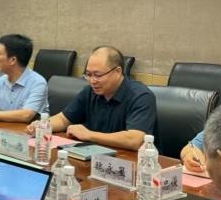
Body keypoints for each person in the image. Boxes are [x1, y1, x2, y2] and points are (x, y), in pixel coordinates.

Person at [26, 46, 155, 150]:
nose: (92, 81)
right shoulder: (90, 92)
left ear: (117, 72)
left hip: (132, 163)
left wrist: (89, 135)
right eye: (88, 74)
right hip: (95, 155)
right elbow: (64, 119)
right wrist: (43, 125)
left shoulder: (141, 96)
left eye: (98, 75)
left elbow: (134, 139)